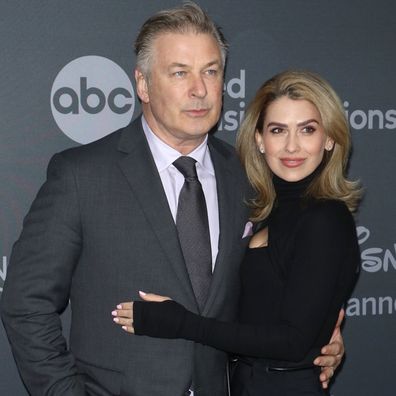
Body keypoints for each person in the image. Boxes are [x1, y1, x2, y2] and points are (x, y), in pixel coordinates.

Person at [1, 1, 342, 395]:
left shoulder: (251, 176)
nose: (199, 89)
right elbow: (26, 303)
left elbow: (280, 288)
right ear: (143, 84)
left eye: (210, 71)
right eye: (180, 72)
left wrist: (323, 335)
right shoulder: (82, 175)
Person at [113, 70, 362, 395]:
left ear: (329, 139)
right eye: (277, 130)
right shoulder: (256, 208)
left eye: (307, 130)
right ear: (259, 139)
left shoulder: (326, 219)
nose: (291, 146)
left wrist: (181, 323)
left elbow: (291, 341)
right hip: (241, 383)